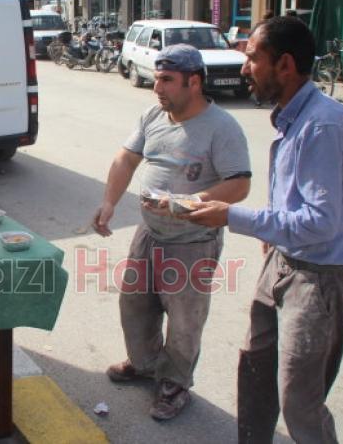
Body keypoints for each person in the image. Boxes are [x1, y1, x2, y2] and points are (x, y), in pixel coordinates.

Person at [185, 17, 343, 443]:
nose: (245, 67)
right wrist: (272, 233)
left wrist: (229, 215)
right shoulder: (294, 118)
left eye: (253, 58)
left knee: (299, 401)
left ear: (284, 64)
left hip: (317, 277)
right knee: (255, 373)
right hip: (284, 263)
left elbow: (320, 224)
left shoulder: (322, 125)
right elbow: (297, 201)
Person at [93, 44, 252, 421]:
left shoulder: (222, 128)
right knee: (134, 305)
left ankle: (174, 383)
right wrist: (109, 202)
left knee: (184, 321)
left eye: (166, 80)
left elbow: (239, 185)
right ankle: (146, 364)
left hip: (192, 243)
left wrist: (188, 202)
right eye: (157, 77)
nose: (157, 87)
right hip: (149, 234)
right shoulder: (154, 115)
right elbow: (126, 158)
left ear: (193, 82)